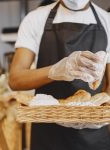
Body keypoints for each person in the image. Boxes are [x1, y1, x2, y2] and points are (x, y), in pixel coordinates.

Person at [9, 0, 110, 149]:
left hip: (92, 136)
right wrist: (55, 71)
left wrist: (100, 113)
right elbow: (15, 79)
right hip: (47, 132)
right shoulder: (36, 19)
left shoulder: (106, 20)